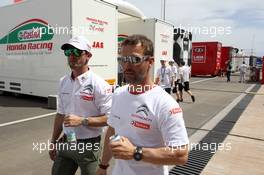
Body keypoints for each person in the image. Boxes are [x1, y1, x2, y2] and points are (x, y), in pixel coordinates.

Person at [96, 35, 189, 175]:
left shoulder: (165, 103)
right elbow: (112, 129)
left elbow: (180, 154)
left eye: (134, 59)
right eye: (123, 59)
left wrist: (135, 152)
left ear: (150, 62)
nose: (126, 66)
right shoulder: (119, 94)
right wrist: (103, 166)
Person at [49, 36, 112, 175]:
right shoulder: (63, 81)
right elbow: (60, 114)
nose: (71, 56)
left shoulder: (100, 85)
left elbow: (110, 119)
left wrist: (83, 121)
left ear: (88, 56)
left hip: (89, 145)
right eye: (68, 52)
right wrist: (53, 141)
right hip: (67, 140)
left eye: (77, 52)